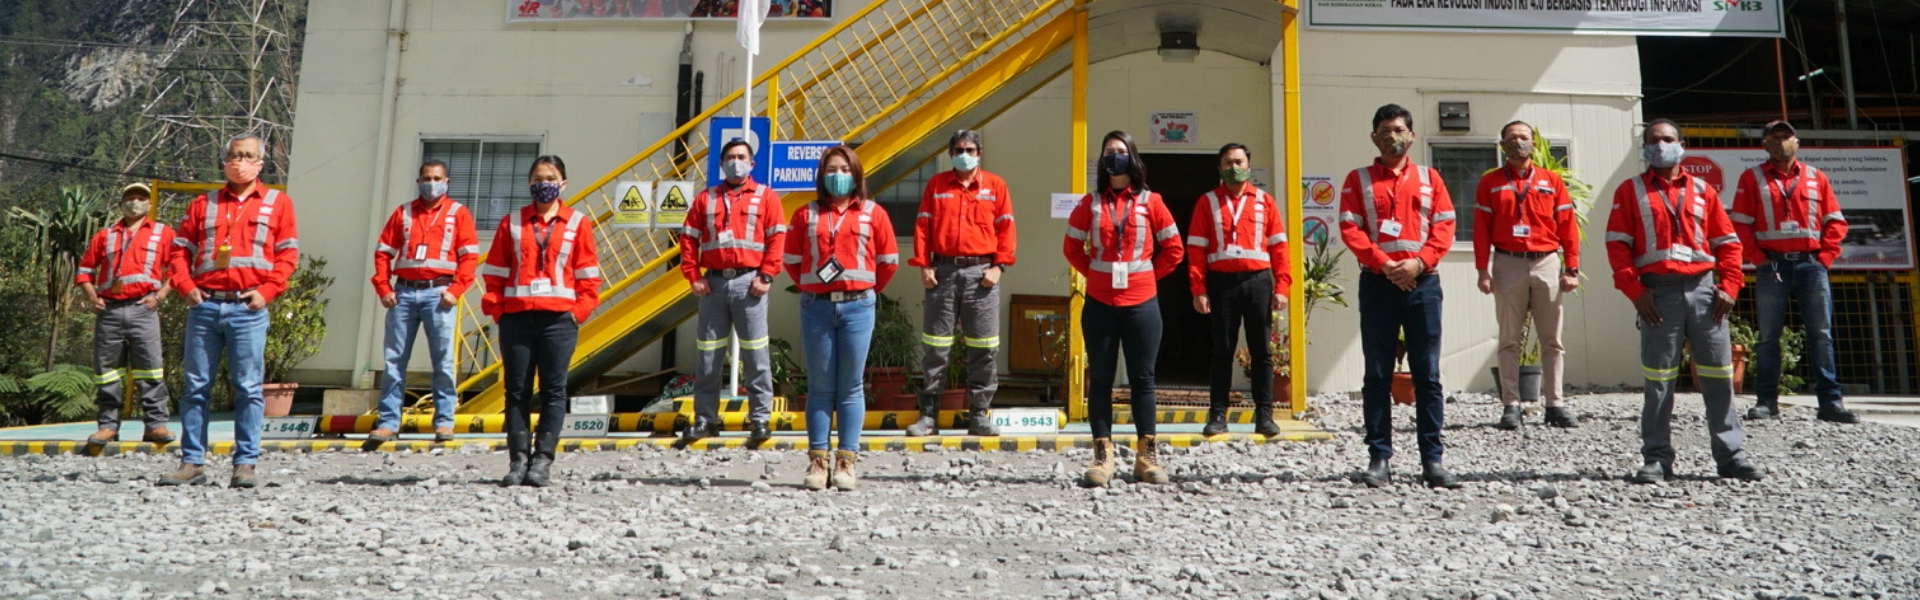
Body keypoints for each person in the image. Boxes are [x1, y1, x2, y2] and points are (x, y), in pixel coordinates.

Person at [1605, 119, 1762, 484]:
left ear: (1682, 144)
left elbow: (1727, 243)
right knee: (1659, 380)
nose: (1661, 145)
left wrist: (1730, 287)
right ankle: (1657, 459)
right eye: (1654, 140)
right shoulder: (1630, 192)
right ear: (1644, 148)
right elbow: (1617, 246)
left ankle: (1731, 457)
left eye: (1668, 139)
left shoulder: (1703, 191)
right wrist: (1635, 291)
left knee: (1719, 377)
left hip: (1705, 292)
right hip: (1657, 295)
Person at [158, 133, 300, 488]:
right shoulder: (203, 204)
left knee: (249, 389)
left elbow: (287, 256)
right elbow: (179, 252)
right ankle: (192, 462)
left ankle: (245, 463)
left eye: (248, 156)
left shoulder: (277, 203)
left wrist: (267, 292)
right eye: (235, 156)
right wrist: (186, 288)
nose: (241, 162)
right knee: (195, 387)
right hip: (205, 306)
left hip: (247, 309)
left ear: (260, 163)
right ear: (224, 162)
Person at [1338, 104, 1460, 489]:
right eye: (1385, 130)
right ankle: (1379, 458)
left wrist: (1417, 265)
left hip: (1422, 285)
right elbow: (1350, 228)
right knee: (1377, 374)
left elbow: (1444, 227)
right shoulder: (1357, 180)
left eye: (1400, 129)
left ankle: (1433, 461)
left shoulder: (1430, 178)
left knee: (1428, 375)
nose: (1393, 135)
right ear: (1373, 136)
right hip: (1378, 284)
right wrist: (1386, 265)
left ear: (1411, 134)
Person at [1064, 130, 1183, 487]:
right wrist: (1097, 277)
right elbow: (1071, 248)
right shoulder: (1090, 203)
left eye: (1119, 151)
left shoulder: (1153, 202)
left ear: (1132, 157)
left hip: (1142, 304)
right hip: (1100, 303)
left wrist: (1145, 277)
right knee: (1100, 380)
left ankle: (1147, 457)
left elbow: (1174, 250)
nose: (1113, 157)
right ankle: (1103, 458)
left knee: (1143, 379)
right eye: (1107, 152)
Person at [479, 155, 602, 487]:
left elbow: (589, 278)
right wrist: (498, 309)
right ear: (529, 182)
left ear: (563, 184)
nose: (543, 183)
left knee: (554, 391)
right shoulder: (513, 223)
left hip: (559, 322)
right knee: (516, 391)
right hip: (517, 319)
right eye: (537, 177)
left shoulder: (577, 224)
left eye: (550, 177)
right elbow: (494, 273)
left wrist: (577, 313)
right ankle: (518, 460)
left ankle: (542, 462)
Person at [783, 145, 897, 491]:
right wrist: (812, 287)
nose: (838, 176)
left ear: (856, 175)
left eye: (845, 170)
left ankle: (846, 461)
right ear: (821, 176)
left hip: (858, 307)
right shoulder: (806, 215)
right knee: (819, 387)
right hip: (816, 307)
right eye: (831, 170)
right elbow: (791, 260)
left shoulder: (874, 213)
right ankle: (818, 462)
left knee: (850, 386)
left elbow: (888, 262)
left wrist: (863, 290)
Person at [1730, 120, 1858, 424]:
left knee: (1821, 334)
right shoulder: (1752, 178)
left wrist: (1824, 258)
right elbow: (1740, 224)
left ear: (1796, 142)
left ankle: (1830, 403)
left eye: (1785, 136)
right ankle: (1766, 402)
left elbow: (1836, 222)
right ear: (1763, 143)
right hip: (1771, 264)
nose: (1780, 142)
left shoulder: (1816, 177)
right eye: (1773, 137)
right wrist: (1759, 260)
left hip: (1811, 264)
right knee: (1768, 336)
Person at [677, 139, 787, 447]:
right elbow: (688, 239)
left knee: (756, 356)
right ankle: (705, 421)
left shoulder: (767, 197)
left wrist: (766, 275)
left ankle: (760, 420)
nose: (735, 161)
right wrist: (693, 276)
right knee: (708, 357)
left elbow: (777, 239)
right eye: (729, 157)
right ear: (721, 164)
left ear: (752, 164)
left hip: (750, 284)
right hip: (713, 286)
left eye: (741, 157)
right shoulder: (705, 199)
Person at [1472, 121, 1582, 430]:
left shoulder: (1551, 181)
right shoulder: (1490, 182)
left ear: (1533, 144)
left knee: (1552, 339)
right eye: (1511, 138)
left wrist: (1571, 267)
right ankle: (1511, 405)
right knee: (1508, 339)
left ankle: (1555, 404)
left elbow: (1567, 226)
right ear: (1502, 144)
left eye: (1523, 137)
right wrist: (1482, 270)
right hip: (1507, 263)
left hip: (1547, 261)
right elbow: (1480, 230)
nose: (1518, 142)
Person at [906, 130, 1016, 437]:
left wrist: (999, 266)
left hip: (982, 275)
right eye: (957, 149)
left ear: (979, 153)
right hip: (942, 272)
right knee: (935, 348)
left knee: (983, 348)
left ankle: (979, 415)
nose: (963, 153)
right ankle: (928, 416)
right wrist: (924, 265)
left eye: (969, 149)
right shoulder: (936, 184)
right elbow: (922, 227)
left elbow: (1006, 229)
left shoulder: (996, 186)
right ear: (951, 153)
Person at [367, 160, 479, 445]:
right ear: (418, 182)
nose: (432, 182)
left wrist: (456, 290)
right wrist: (383, 287)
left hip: (439, 295)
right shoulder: (402, 213)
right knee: (393, 362)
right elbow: (382, 253)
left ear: (447, 181)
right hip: (403, 294)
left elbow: (469, 257)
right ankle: (388, 422)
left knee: (442, 362)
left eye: (437, 178)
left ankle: (443, 422)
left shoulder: (458, 214)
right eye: (427, 178)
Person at [1186, 142, 1290, 437]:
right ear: (1220, 167)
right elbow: (1195, 249)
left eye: (1239, 161)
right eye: (1228, 162)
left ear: (1249, 167)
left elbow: (1280, 247)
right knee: (1222, 350)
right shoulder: (1206, 202)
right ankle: (1218, 416)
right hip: (1221, 285)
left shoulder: (1265, 201)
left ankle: (1265, 416)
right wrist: (1198, 288)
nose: (1234, 167)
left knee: (1262, 352)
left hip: (1258, 283)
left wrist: (1281, 286)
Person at [77, 183, 177, 449]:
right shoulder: (105, 235)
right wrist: (91, 297)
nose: (135, 203)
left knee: (151, 370)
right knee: (107, 373)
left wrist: (160, 296)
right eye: (130, 198)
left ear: (149, 204)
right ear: (121, 204)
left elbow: (178, 269)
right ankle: (107, 427)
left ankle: (155, 425)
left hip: (144, 309)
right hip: (109, 310)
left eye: (141, 198)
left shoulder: (162, 233)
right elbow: (85, 270)